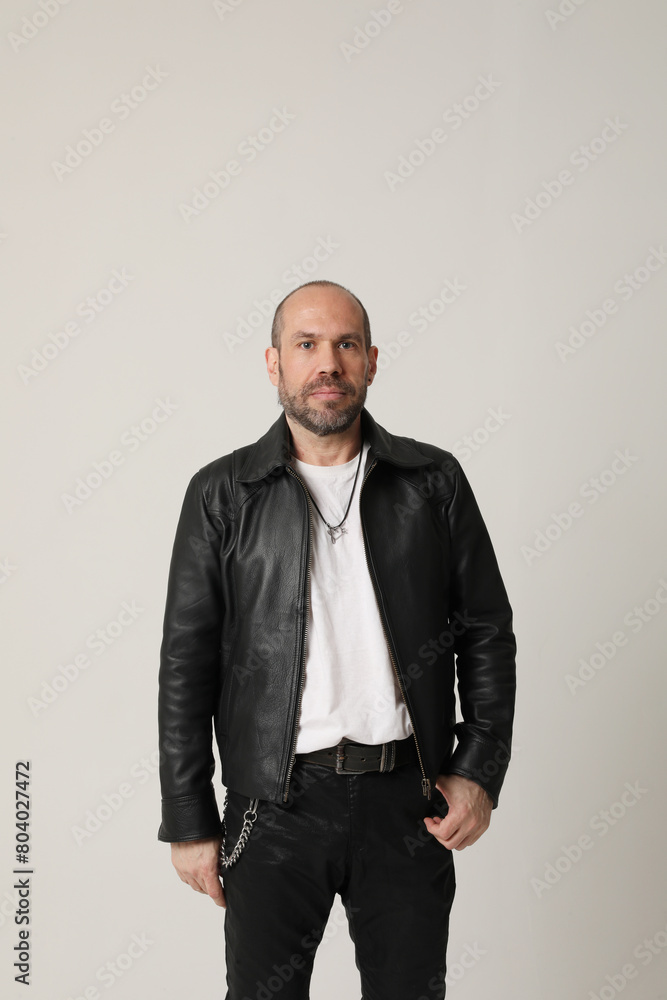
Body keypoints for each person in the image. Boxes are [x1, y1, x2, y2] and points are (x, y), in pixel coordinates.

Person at [157, 279, 517, 999]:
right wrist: (189, 818)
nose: (328, 362)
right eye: (307, 345)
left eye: (346, 344)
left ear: (371, 362)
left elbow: (485, 630)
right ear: (274, 363)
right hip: (272, 806)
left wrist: (477, 770)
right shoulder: (223, 494)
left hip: (407, 799)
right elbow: (186, 664)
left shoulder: (432, 481)